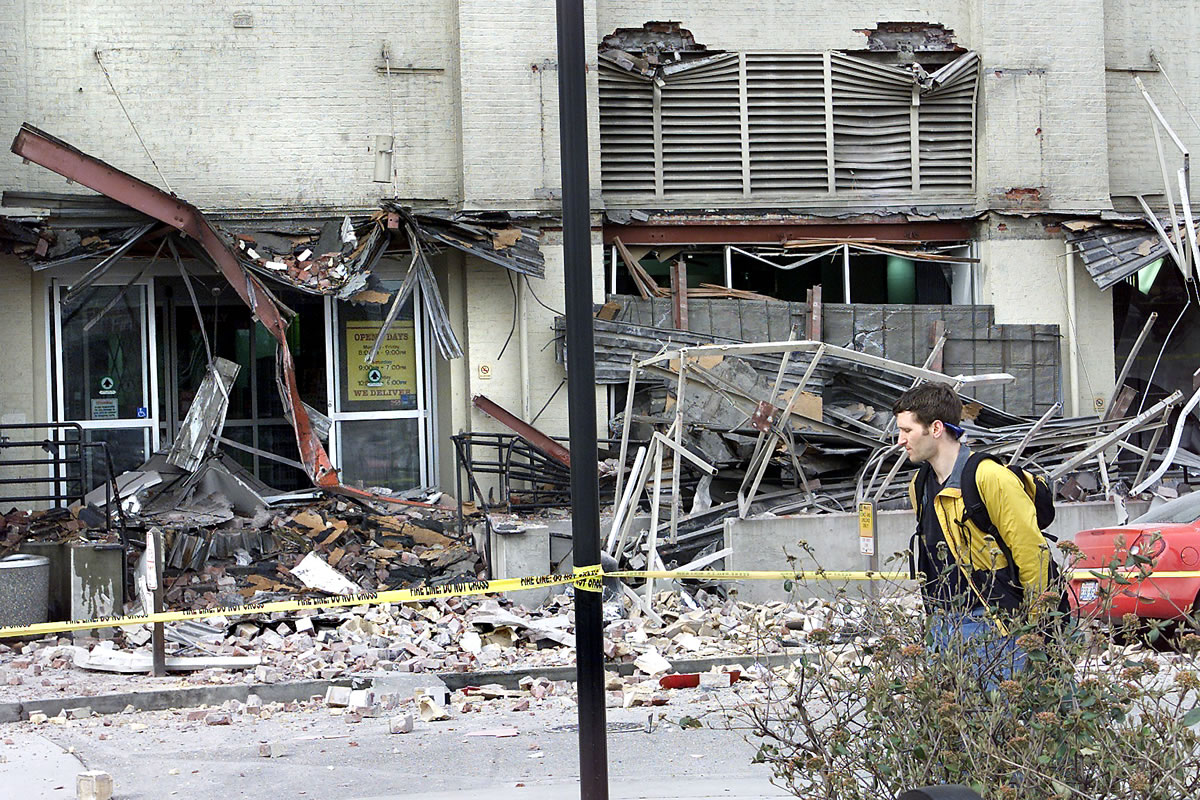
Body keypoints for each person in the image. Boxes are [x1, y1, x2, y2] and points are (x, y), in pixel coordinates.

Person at [893, 383, 1052, 684]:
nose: (900, 441)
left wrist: (1037, 626)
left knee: (1000, 723)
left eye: (907, 430)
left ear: (936, 428)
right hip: (941, 626)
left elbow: (1032, 553)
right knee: (954, 727)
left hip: (994, 625)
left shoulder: (990, 478)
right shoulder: (919, 484)